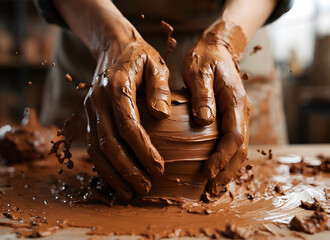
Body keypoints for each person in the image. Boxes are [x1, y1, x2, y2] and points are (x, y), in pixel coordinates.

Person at [35, 0, 292, 200]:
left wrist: (226, 39)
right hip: (94, 38)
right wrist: (110, 39)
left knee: (246, 170)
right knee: (89, 161)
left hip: (238, 30)